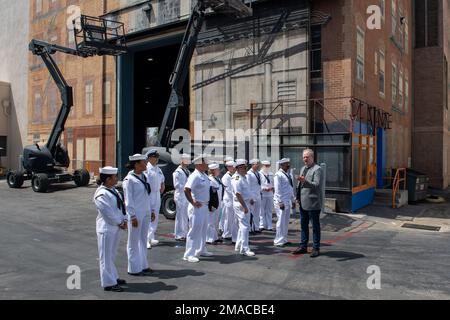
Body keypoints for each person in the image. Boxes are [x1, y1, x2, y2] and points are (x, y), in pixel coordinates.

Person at [94, 166, 128, 292]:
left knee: (112, 255)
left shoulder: (114, 190)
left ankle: (113, 277)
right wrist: (120, 222)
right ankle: (108, 283)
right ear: (108, 179)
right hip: (107, 229)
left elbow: (121, 207)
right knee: (105, 257)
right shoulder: (101, 194)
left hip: (116, 227)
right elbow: (107, 212)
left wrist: (124, 220)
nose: (116, 178)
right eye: (114, 177)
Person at [123, 154, 155, 276]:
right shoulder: (129, 180)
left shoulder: (144, 176)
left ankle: (144, 265)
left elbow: (148, 195)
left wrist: (151, 210)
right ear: (136, 164)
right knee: (133, 241)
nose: (146, 164)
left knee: (143, 240)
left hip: (145, 212)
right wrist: (132, 216)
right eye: (144, 162)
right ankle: (133, 268)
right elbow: (128, 200)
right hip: (136, 214)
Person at [293, 149, 323, 258]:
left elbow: (316, 184)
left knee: (315, 227)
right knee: (303, 226)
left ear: (312, 157)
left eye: (307, 157)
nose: (305, 159)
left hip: (313, 203)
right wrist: (297, 197)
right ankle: (303, 246)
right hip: (302, 203)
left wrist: (304, 180)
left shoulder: (317, 169)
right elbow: (299, 185)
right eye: (303, 157)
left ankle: (316, 248)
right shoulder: (303, 168)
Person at [183, 155, 212, 263]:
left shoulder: (203, 175)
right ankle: (189, 254)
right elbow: (186, 189)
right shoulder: (194, 175)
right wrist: (192, 201)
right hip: (197, 207)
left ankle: (201, 249)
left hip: (204, 206)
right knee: (194, 230)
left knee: (203, 229)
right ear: (199, 164)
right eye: (205, 162)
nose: (207, 164)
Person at [231, 159, 256, 256]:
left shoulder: (243, 177)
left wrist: (249, 199)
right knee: (245, 226)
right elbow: (238, 194)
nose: (247, 169)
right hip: (241, 204)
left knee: (243, 226)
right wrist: (245, 206)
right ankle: (244, 249)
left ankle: (238, 245)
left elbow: (245, 191)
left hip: (245, 203)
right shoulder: (237, 179)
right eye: (245, 167)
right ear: (239, 168)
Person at [273, 158, 296, 247]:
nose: (288, 165)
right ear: (282, 165)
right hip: (281, 201)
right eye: (287, 164)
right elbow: (277, 189)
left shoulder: (288, 174)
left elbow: (290, 188)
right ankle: (278, 240)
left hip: (287, 201)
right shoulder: (278, 175)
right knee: (281, 221)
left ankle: (284, 239)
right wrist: (280, 201)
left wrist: (293, 200)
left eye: (288, 164)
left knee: (286, 221)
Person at [146, 149, 165, 249]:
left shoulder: (158, 168)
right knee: (149, 215)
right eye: (155, 157)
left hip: (157, 194)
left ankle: (151, 236)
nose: (157, 159)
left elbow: (162, 179)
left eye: (157, 157)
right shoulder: (147, 169)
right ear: (149, 158)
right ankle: (146, 239)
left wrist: (162, 185)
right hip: (149, 195)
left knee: (156, 215)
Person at [173, 153, 191, 241]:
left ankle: (185, 232)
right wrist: (186, 188)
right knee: (180, 216)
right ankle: (179, 234)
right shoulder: (178, 172)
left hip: (186, 195)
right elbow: (177, 185)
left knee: (185, 215)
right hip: (180, 195)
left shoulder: (187, 171)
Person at [207, 163, 224, 244]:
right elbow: (210, 193)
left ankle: (215, 236)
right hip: (213, 203)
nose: (219, 171)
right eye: (217, 169)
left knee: (216, 220)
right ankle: (209, 238)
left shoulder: (217, 179)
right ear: (213, 171)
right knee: (211, 221)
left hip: (218, 202)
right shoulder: (210, 180)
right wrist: (211, 205)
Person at [221, 161, 237, 243]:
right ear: (228, 167)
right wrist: (237, 194)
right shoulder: (226, 177)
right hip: (229, 200)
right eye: (232, 166)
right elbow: (228, 190)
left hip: (233, 199)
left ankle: (231, 232)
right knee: (228, 217)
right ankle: (226, 233)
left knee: (233, 218)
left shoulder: (234, 176)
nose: (234, 168)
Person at [247, 159, 262, 234]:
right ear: (252, 164)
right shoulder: (249, 173)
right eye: (257, 164)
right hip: (252, 195)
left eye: (258, 164)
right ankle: (250, 229)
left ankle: (256, 227)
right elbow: (248, 186)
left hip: (258, 195)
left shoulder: (258, 173)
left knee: (257, 213)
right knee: (252, 212)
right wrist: (250, 197)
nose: (258, 165)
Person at [259, 160, 274, 231]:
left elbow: (273, 183)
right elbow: (257, 185)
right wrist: (263, 188)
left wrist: (272, 187)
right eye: (266, 166)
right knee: (261, 210)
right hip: (262, 193)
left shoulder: (271, 174)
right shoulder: (259, 174)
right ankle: (262, 225)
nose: (267, 167)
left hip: (270, 194)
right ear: (262, 166)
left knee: (269, 210)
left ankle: (269, 225)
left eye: (268, 166)